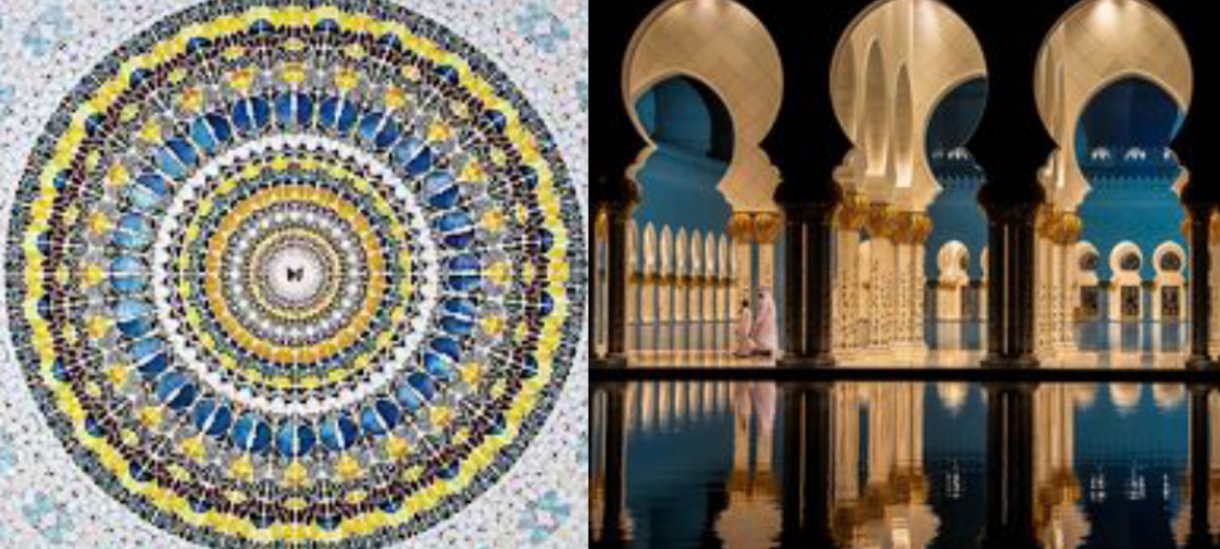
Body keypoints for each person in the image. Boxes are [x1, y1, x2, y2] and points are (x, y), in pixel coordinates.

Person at [750, 288, 778, 357]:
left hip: (764, 324)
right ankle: (766, 350)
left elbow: (761, 313)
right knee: (766, 338)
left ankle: (763, 350)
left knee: (762, 337)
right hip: (769, 324)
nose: (758, 297)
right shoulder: (770, 300)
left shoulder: (764, 301)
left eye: (759, 295)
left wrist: (757, 322)